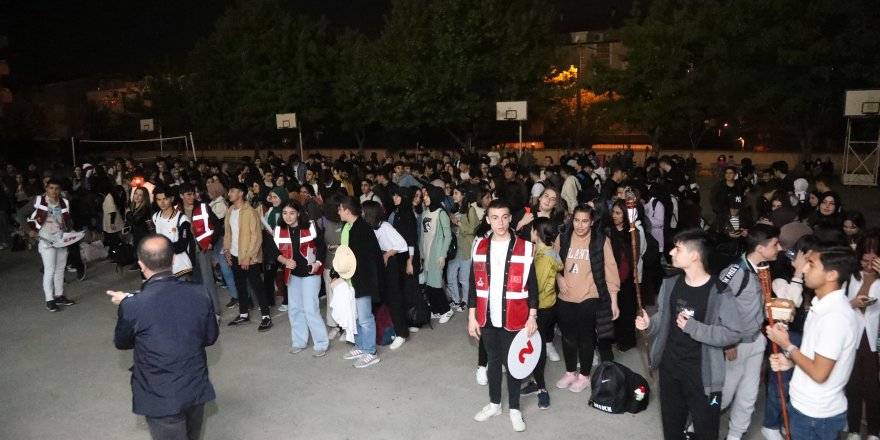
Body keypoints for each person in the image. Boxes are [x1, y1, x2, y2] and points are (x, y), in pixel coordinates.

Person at [635, 229, 745, 440]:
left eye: (677, 249)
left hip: (703, 375)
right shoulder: (670, 284)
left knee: (706, 431)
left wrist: (695, 328)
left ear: (694, 255)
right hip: (670, 369)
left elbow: (734, 333)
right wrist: (649, 324)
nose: (671, 252)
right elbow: (663, 317)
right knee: (672, 429)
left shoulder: (720, 291)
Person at [108, 234, 219, 440]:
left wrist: (127, 303)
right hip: (195, 387)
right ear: (174, 259)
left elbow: (122, 342)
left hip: (160, 396)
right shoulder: (200, 292)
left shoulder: (133, 306)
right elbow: (210, 337)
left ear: (141, 264)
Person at [766, 244, 860, 440]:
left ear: (831, 275)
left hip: (816, 415)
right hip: (806, 407)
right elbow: (820, 360)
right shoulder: (822, 306)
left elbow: (819, 373)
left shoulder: (834, 317)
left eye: (811, 264)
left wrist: (787, 345)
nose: (805, 268)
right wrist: (791, 362)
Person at [468, 199, 538, 432]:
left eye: (505, 217)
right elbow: (473, 284)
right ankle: (494, 404)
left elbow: (533, 285)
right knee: (493, 362)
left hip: (516, 317)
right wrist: (471, 317)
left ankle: (515, 409)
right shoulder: (479, 246)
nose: (500, 222)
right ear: (488, 220)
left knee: (514, 364)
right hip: (487, 317)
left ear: (510, 219)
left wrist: (532, 316)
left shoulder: (525, 247)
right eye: (495, 218)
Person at [718, 224, 781, 440]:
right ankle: (697, 424)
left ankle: (735, 435)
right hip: (736, 344)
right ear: (760, 248)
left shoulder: (763, 269)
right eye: (775, 244)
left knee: (749, 394)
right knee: (724, 395)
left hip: (756, 339)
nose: (779, 248)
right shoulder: (735, 271)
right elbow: (716, 304)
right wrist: (727, 342)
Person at [555, 203, 620, 393]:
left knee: (586, 337)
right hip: (565, 296)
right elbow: (553, 262)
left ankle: (584, 375)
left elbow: (611, 270)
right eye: (576, 220)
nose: (580, 225)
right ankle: (570, 372)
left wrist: (614, 300)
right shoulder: (563, 237)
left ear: (592, 222)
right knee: (568, 337)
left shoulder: (600, 241)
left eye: (584, 221)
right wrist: (558, 278)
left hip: (589, 296)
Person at [267, 200, 330, 357]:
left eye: (292, 213)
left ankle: (321, 343)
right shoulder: (278, 230)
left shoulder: (310, 226)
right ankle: (299, 341)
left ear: (299, 213)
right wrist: (284, 260)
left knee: (310, 309)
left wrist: (317, 263)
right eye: (285, 213)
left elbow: (321, 246)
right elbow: (272, 250)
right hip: (292, 274)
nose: (288, 217)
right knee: (295, 309)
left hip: (310, 273)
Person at [519, 216, 563, 410]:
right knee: (536, 346)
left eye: (531, 229)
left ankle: (541, 388)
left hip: (540, 309)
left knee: (537, 349)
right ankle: (535, 381)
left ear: (536, 233)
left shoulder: (542, 258)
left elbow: (535, 286)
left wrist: (530, 311)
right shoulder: (548, 252)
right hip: (548, 305)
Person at [338, 195, 384, 368]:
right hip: (354, 280)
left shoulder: (362, 229)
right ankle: (360, 346)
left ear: (347, 211)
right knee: (356, 316)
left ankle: (371, 352)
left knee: (365, 318)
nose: (338, 212)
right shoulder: (351, 227)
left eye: (340, 209)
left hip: (363, 280)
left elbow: (368, 260)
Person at [843, 233, 880, 440]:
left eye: (873, 260)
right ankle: (854, 430)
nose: (868, 264)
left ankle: (874, 431)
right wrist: (852, 304)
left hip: (875, 339)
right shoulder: (851, 275)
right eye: (865, 259)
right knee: (853, 386)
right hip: (853, 337)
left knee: (873, 388)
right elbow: (839, 305)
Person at [224, 182, 273, 332]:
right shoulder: (230, 210)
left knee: (257, 286)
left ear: (241, 194)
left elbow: (257, 237)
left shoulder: (250, 212)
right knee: (240, 285)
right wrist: (226, 250)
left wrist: (248, 256)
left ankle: (266, 317)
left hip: (248, 257)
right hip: (234, 255)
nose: (229, 194)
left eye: (232, 191)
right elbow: (228, 233)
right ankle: (243, 314)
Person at [363, 200, 410, 350]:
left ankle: (402, 334)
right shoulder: (370, 227)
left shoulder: (384, 226)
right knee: (386, 299)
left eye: (363, 211)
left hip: (390, 265)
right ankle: (393, 328)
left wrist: (387, 255)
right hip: (380, 264)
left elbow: (402, 244)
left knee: (394, 299)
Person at [27, 179, 77, 311]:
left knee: (60, 269)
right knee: (49, 270)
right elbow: (21, 214)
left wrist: (71, 231)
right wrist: (29, 230)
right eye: (51, 188)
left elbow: (67, 219)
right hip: (46, 240)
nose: (54, 191)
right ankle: (49, 300)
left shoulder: (64, 202)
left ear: (60, 190)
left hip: (61, 240)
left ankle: (59, 296)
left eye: (56, 188)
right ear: (46, 188)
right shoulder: (38, 201)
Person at [178, 183, 222, 317]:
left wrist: (211, 242)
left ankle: (215, 312)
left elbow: (217, 225)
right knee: (196, 282)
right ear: (181, 196)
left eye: (193, 194)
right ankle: (203, 310)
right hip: (187, 253)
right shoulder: (177, 211)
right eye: (188, 194)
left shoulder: (203, 207)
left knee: (208, 281)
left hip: (203, 250)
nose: (192, 197)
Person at [421, 185, 454, 323]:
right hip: (427, 254)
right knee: (429, 284)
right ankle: (436, 310)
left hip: (437, 254)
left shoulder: (441, 214)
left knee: (436, 284)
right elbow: (422, 235)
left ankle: (447, 310)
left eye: (427, 195)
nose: (424, 198)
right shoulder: (425, 213)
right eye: (424, 195)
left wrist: (443, 255)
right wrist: (422, 252)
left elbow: (448, 236)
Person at [151, 186, 193, 278]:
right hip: (163, 269)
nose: (162, 203)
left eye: (165, 199)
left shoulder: (182, 219)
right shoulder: (155, 217)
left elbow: (182, 245)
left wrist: (164, 249)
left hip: (181, 268)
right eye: (158, 200)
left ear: (172, 198)